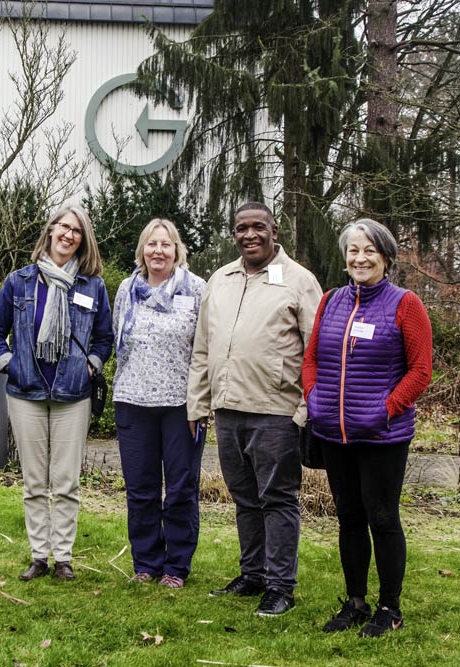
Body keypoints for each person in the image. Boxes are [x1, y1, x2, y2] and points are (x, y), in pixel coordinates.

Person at [187, 202, 322, 616]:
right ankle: (253, 574)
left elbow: (318, 350)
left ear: (274, 231)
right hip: (228, 410)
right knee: (245, 499)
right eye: (241, 228)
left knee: (277, 499)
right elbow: (203, 347)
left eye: (258, 227)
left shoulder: (299, 281)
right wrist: (198, 403)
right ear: (234, 234)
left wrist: (306, 409)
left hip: (277, 412)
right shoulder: (220, 279)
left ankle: (280, 586)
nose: (250, 235)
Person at [302, 218, 432, 637]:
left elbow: (421, 371)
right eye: (353, 251)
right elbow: (311, 359)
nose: (360, 258)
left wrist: (386, 409)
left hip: (382, 435)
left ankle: (390, 608)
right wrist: (314, 398)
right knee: (349, 518)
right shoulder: (330, 301)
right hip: (334, 433)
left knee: (383, 517)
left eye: (369, 251)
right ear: (345, 258)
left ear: (386, 258)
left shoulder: (405, 304)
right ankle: (355, 601)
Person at [0, 205, 113, 582]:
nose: (69, 234)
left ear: (83, 240)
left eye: (77, 231)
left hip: (74, 393)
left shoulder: (92, 286)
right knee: (35, 481)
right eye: (63, 227)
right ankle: (39, 555)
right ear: (51, 230)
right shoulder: (19, 282)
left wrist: (91, 366)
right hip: (26, 392)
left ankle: (64, 558)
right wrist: (10, 364)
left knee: (66, 481)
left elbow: (104, 338)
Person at [112, 219, 206, 589]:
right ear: (142, 250)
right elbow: (118, 338)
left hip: (181, 406)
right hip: (132, 401)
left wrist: (200, 403)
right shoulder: (127, 289)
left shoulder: (195, 288)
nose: (158, 251)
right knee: (140, 489)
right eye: (152, 244)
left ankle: (176, 567)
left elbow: (205, 347)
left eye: (166, 244)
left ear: (176, 250)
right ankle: (146, 563)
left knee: (181, 488)